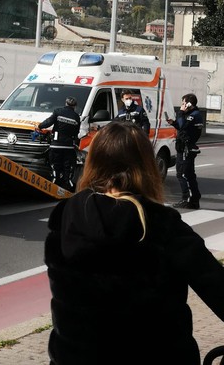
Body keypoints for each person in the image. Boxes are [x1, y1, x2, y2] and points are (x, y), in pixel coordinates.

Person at [44, 120, 224, 365]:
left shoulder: (66, 215)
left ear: (93, 161)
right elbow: (215, 285)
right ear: (145, 165)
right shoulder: (161, 223)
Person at [167, 93, 203, 209]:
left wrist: (181, 112)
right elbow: (183, 127)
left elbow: (183, 126)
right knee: (189, 174)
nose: (182, 105)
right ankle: (194, 199)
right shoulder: (193, 114)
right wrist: (174, 123)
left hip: (186, 149)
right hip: (184, 147)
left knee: (183, 174)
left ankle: (187, 199)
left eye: (183, 103)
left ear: (188, 104)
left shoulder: (194, 115)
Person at [38, 96, 81, 192]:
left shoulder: (58, 111)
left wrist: (40, 126)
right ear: (75, 106)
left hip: (56, 145)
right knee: (67, 166)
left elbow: (48, 122)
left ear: (66, 103)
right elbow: (76, 133)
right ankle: (68, 185)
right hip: (69, 147)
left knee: (55, 164)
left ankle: (54, 182)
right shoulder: (76, 117)